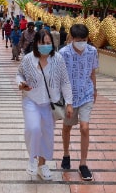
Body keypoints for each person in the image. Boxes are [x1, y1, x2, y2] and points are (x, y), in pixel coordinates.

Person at [16, 30, 73, 181]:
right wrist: (21, 84)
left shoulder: (58, 59)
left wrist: (69, 103)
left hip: (49, 103)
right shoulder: (28, 59)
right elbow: (19, 74)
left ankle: (42, 165)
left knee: (47, 134)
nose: (46, 46)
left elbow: (65, 81)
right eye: (42, 43)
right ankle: (32, 160)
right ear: (36, 43)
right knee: (33, 129)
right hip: (31, 100)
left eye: (49, 43)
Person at [59, 24, 99, 181]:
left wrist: (94, 89)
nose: (82, 42)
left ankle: (83, 164)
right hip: (69, 97)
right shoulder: (63, 54)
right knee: (67, 127)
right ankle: (66, 154)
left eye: (84, 39)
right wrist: (66, 101)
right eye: (78, 40)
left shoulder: (92, 52)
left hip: (86, 94)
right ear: (71, 38)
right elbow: (61, 78)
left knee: (85, 127)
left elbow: (93, 72)